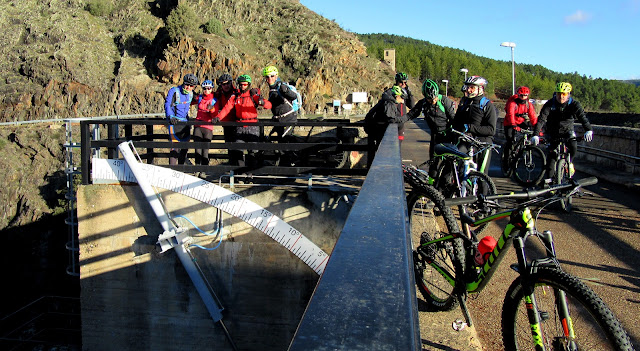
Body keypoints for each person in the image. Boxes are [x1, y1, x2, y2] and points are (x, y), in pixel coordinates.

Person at [532, 82, 593, 179]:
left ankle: (570, 163)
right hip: (552, 132)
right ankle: (550, 183)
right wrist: (535, 134)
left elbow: (582, 118)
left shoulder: (574, 104)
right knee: (551, 157)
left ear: (568, 94)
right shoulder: (549, 104)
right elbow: (541, 119)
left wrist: (588, 130)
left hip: (567, 131)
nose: (561, 96)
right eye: (559, 93)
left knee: (573, 146)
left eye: (564, 94)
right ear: (555, 93)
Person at [214, 74, 272, 167]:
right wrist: (218, 117)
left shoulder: (253, 95)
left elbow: (269, 105)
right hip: (239, 126)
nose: (242, 86)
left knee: (252, 151)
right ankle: (240, 174)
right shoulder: (235, 96)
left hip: (252, 126)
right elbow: (227, 108)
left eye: (245, 84)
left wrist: (262, 101)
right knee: (238, 151)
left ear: (248, 85)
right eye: (241, 84)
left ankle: (250, 175)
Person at [407, 79, 456, 180]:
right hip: (435, 136)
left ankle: (446, 186)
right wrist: (397, 120)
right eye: (430, 99)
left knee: (448, 164)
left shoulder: (445, 101)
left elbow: (453, 120)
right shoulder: (423, 103)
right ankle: (431, 186)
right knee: (433, 163)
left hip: (447, 135)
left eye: (435, 98)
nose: (433, 101)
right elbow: (411, 114)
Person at [452, 75, 497, 174]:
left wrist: (470, 127)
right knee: (455, 164)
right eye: (468, 87)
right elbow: (456, 122)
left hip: (483, 143)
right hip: (467, 140)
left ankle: (482, 189)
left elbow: (491, 130)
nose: (469, 90)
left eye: (472, 87)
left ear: (480, 89)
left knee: (482, 175)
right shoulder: (465, 102)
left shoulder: (487, 105)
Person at [164, 73, 198, 165]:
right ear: (183, 83)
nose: (188, 87)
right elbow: (167, 104)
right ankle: (172, 171)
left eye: (191, 86)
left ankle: (181, 170)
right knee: (175, 148)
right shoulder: (174, 91)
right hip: (175, 122)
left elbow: (202, 100)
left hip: (185, 123)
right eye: (187, 84)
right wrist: (170, 116)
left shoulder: (191, 94)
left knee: (184, 148)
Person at [364, 85, 408, 152]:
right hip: (375, 129)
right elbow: (390, 119)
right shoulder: (389, 104)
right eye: (402, 98)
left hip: (373, 127)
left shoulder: (386, 100)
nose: (403, 100)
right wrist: (402, 120)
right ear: (397, 96)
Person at [503, 86, 538, 167]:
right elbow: (510, 114)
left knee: (529, 130)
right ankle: (506, 162)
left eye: (525, 95)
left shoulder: (528, 104)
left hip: (520, 121)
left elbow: (533, 116)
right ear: (518, 95)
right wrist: (513, 125)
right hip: (509, 123)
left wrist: (537, 129)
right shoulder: (513, 103)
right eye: (521, 95)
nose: (523, 97)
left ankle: (524, 148)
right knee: (510, 141)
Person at [262, 65, 298, 140]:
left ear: (276, 76)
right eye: (267, 77)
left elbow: (293, 96)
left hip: (288, 119)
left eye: (272, 76)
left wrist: (286, 91)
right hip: (279, 120)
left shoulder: (281, 86)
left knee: (284, 143)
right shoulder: (272, 89)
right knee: (279, 141)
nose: (270, 78)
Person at [191, 79, 216, 175]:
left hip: (208, 127)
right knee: (197, 149)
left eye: (208, 88)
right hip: (198, 126)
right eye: (204, 88)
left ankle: (204, 170)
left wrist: (212, 110)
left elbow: (215, 114)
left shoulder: (214, 99)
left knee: (205, 151)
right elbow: (191, 101)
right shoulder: (200, 98)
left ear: (212, 89)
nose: (206, 90)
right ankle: (197, 169)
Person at [211, 73, 238, 144]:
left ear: (231, 83)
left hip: (237, 123)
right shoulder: (219, 94)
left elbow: (228, 107)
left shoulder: (236, 93)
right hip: (226, 124)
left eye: (228, 83)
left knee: (237, 147)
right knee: (229, 145)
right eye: (223, 84)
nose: (226, 86)